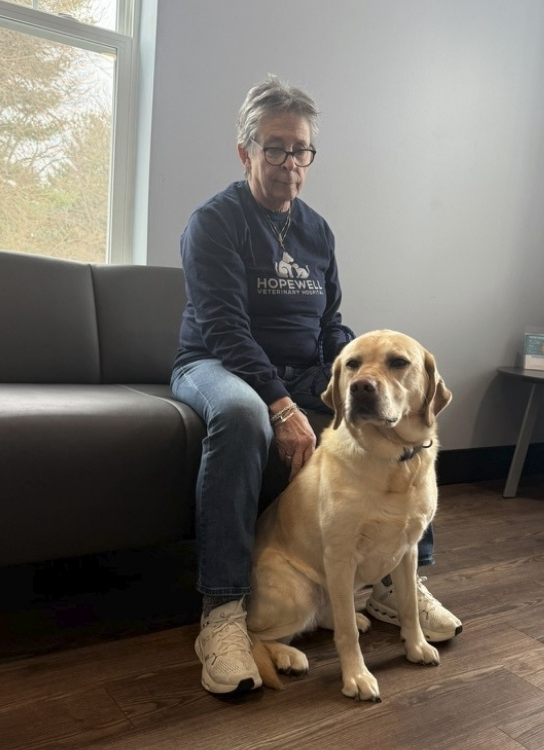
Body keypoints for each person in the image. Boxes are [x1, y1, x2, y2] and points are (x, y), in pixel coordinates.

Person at [171, 75, 461, 696]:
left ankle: (397, 583)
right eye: (274, 148)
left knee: (401, 422)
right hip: (217, 363)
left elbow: (330, 323)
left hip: (301, 367)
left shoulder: (317, 231)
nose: (289, 163)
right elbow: (224, 329)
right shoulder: (214, 222)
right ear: (246, 151)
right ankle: (223, 609)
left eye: (300, 149)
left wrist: (360, 374)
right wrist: (280, 405)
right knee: (241, 416)